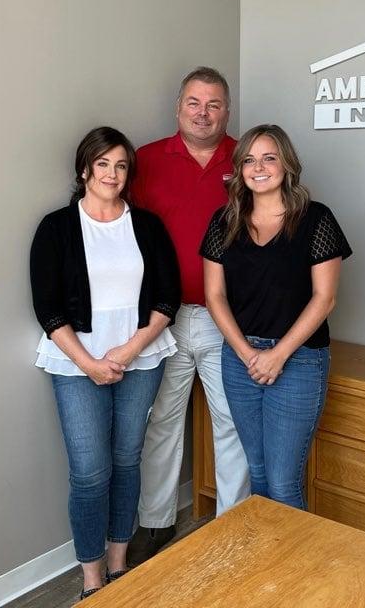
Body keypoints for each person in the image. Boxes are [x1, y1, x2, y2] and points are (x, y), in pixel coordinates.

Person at [29, 127, 181, 600]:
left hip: (141, 356)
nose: (112, 174)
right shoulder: (56, 228)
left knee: (127, 459)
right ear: (84, 169)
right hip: (76, 363)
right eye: (103, 164)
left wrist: (133, 347)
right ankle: (92, 577)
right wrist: (89, 362)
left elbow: (167, 296)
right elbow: (48, 306)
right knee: (90, 470)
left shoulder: (148, 226)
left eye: (120, 166)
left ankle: (119, 563)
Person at [128, 67, 250, 566]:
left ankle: (234, 526)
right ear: (179, 108)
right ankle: (156, 523)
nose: (204, 113)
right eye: (195, 103)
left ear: (228, 110)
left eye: (214, 104)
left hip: (230, 320)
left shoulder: (248, 159)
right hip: (163, 318)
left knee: (232, 423)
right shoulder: (145, 160)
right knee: (160, 423)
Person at [200, 124, 352, 510]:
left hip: (298, 360)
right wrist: (247, 353)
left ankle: (292, 570)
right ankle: (265, 567)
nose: (259, 167)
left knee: (284, 483)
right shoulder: (224, 221)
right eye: (249, 160)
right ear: (239, 169)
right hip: (240, 361)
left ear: (286, 164)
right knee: (259, 472)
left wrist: (277, 354)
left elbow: (325, 298)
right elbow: (214, 296)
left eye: (269, 157)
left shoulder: (316, 219)